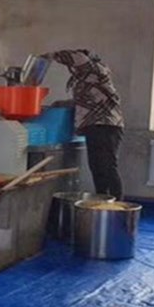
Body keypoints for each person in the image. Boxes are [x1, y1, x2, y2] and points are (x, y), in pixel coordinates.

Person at [42, 49, 125, 200]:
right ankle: (102, 202)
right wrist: (61, 103)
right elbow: (87, 102)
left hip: (105, 125)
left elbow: (76, 57)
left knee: (107, 166)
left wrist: (49, 56)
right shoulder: (87, 79)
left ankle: (117, 205)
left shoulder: (95, 70)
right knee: (97, 168)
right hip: (94, 127)